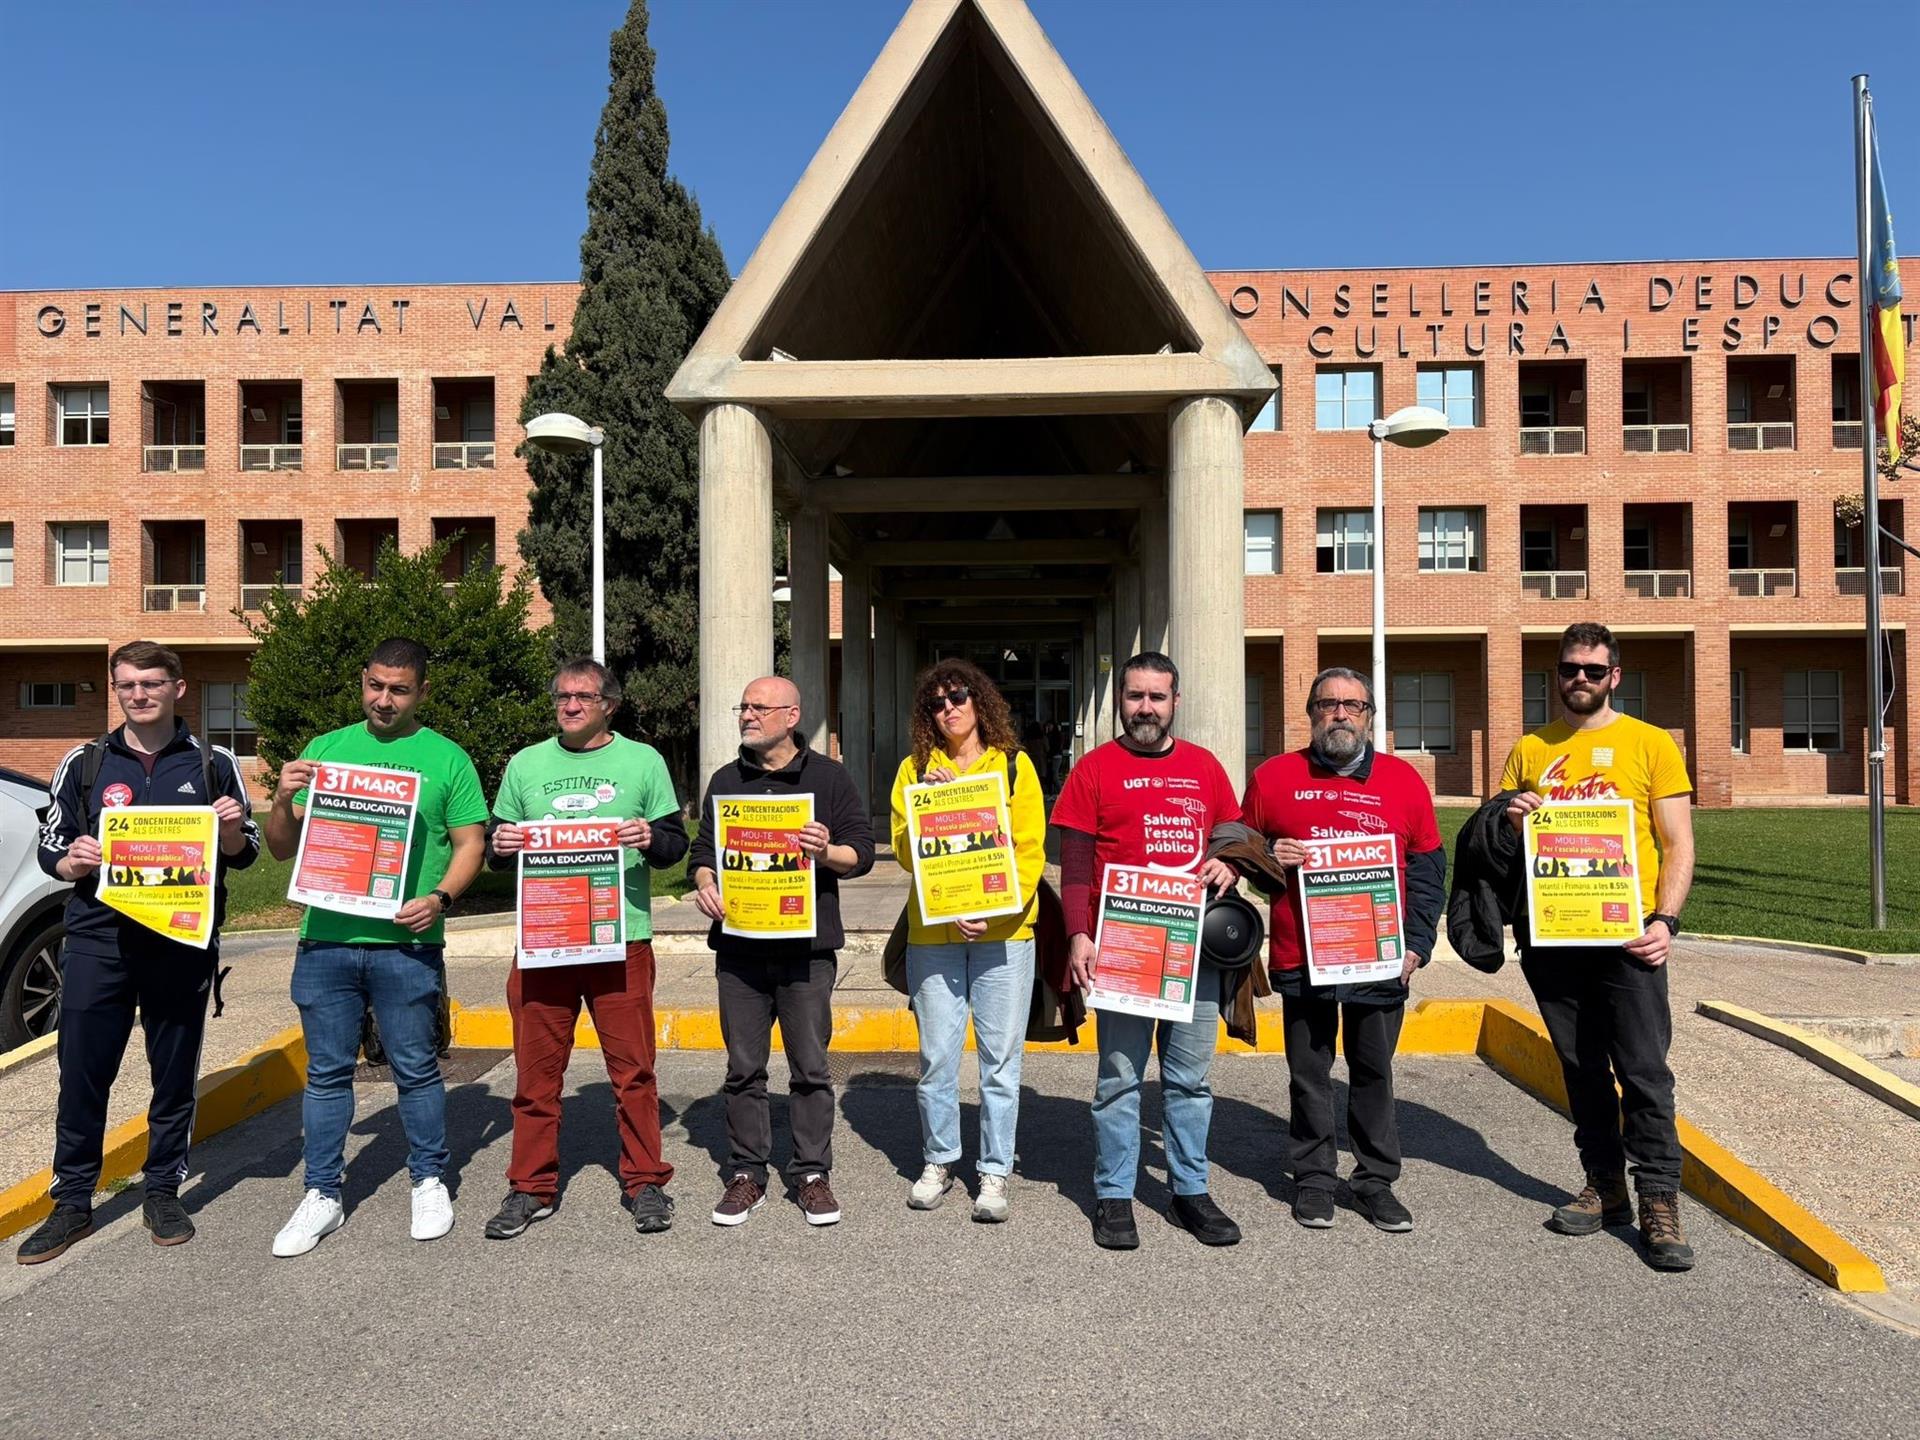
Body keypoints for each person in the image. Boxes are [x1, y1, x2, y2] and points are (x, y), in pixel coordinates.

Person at [17, 642, 258, 1263]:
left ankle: (162, 1189)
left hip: (181, 941)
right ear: (116, 689)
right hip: (99, 940)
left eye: (151, 682)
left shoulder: (213, 762)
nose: (138, 694)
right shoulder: (87, 761)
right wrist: (72, 858)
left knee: (173, 1074)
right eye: (126, 684)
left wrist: (228, 827)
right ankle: (72, 1201)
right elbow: (52, 845)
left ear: (179, 688)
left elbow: (245, 852)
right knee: (82, 1074)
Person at [264, 637, 488, 1257]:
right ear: (363, 680)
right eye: (376, 686)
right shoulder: (326, 751)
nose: (384, 700)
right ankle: (321, 1193)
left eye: (400, 690)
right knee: (328, 1073)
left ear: (422, 692)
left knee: (415, 1070)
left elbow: (472, 842)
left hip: (405, 945)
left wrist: (440, 897)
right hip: (326, 941)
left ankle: (429, 1178)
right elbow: (282, 847)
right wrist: (282, 797)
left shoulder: (446, 758)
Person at [1499, 621, 1698, 1271]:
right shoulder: (1532, 748)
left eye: (1591, 669)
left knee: (1643, 1070)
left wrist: (1665, 920)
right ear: (1555, 676)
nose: (1578, 679)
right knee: (1582, 1069)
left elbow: (1678, 843)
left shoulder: (1650, 745)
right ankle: (1605, 1186)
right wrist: (1508, 816)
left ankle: (1659, 1198)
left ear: (1614, 675)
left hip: (1628, 933)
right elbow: (1499, 845)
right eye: (1567, 669)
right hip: (1555, 934)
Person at [484, 659, 689, 1239]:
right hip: (546, 940)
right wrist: (502, 844)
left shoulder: (642, 761)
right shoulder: (526, 764)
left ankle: (645, 1181)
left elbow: (675, 844)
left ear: (609, 705)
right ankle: (531, 1187)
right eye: (562, 697)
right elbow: (500, 851)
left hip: (620, 939)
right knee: (536, 1075)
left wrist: (650, 836)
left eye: (584, 696)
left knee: (633, 1072)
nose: (571, 705)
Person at [1241, 667, 1446, 1233]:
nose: (1340, 715)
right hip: (1301, 954)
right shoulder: (1274, 777)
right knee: (1309, 1071)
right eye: (1328, 704)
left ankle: (1374, 1180)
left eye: (1353, 706)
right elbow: (1240, 849)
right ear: (1310, 713)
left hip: (1381, 956)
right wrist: (1268, 859)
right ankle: (1312, 1177)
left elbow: (1428, 871)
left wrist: (1417, 946)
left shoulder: (1403, 781)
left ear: (1370, 717)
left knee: (1373, 1069)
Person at [1052, 652, 1244, 1251]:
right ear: (1121, 701)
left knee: (1189, 1081)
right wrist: (1079, 934)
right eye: (1135, 696)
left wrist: (1228, 863)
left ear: (1174, 703)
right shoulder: (1095, 769)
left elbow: (1234, 834)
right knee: (1119, 1079)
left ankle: (1190, 1189)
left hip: (1193, 953)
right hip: (1125, 945)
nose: (1146, 708)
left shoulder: (1204, 767)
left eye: (1157, 697)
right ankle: (1113, 1194)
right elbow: (1077, 863)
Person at [687, 677, 874, 1227]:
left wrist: (827, 850)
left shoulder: (829, 778)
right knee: (743, 1068)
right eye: (742, 706)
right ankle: (747, 1173)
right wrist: (704, 882)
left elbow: (861, 852)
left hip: (806, 952)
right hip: (740, 950)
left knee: (810, 1067)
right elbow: (703, 851)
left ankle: (812, 1173)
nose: (746, 715)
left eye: (758, 707)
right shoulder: (726, 779)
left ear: (791, 715)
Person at [888, 660, 1046, 1222]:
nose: (949, 708)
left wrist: (996, 907)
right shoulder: (913, 770)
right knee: (936, 1057)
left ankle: (995, 1170)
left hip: (1004, 934)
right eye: (937, 702)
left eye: (958, 696)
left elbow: (1029, 849)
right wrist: (921, 806)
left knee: (1000, 1060)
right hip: (934, 933)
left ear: (980, 701)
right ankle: (939, 1159)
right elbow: (906, 853)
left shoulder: (1013, 766)